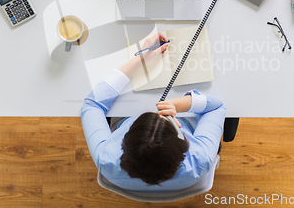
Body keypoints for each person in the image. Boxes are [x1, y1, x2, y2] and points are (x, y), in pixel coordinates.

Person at [81, 33, 226, 191]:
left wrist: (140, 58)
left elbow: (92, 104)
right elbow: (217, 105)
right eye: (167, 118)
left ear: (125, 138)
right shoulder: (200, 159)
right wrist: (175, 105)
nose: (156, 111)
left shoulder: (106, 159)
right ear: (184, 141)